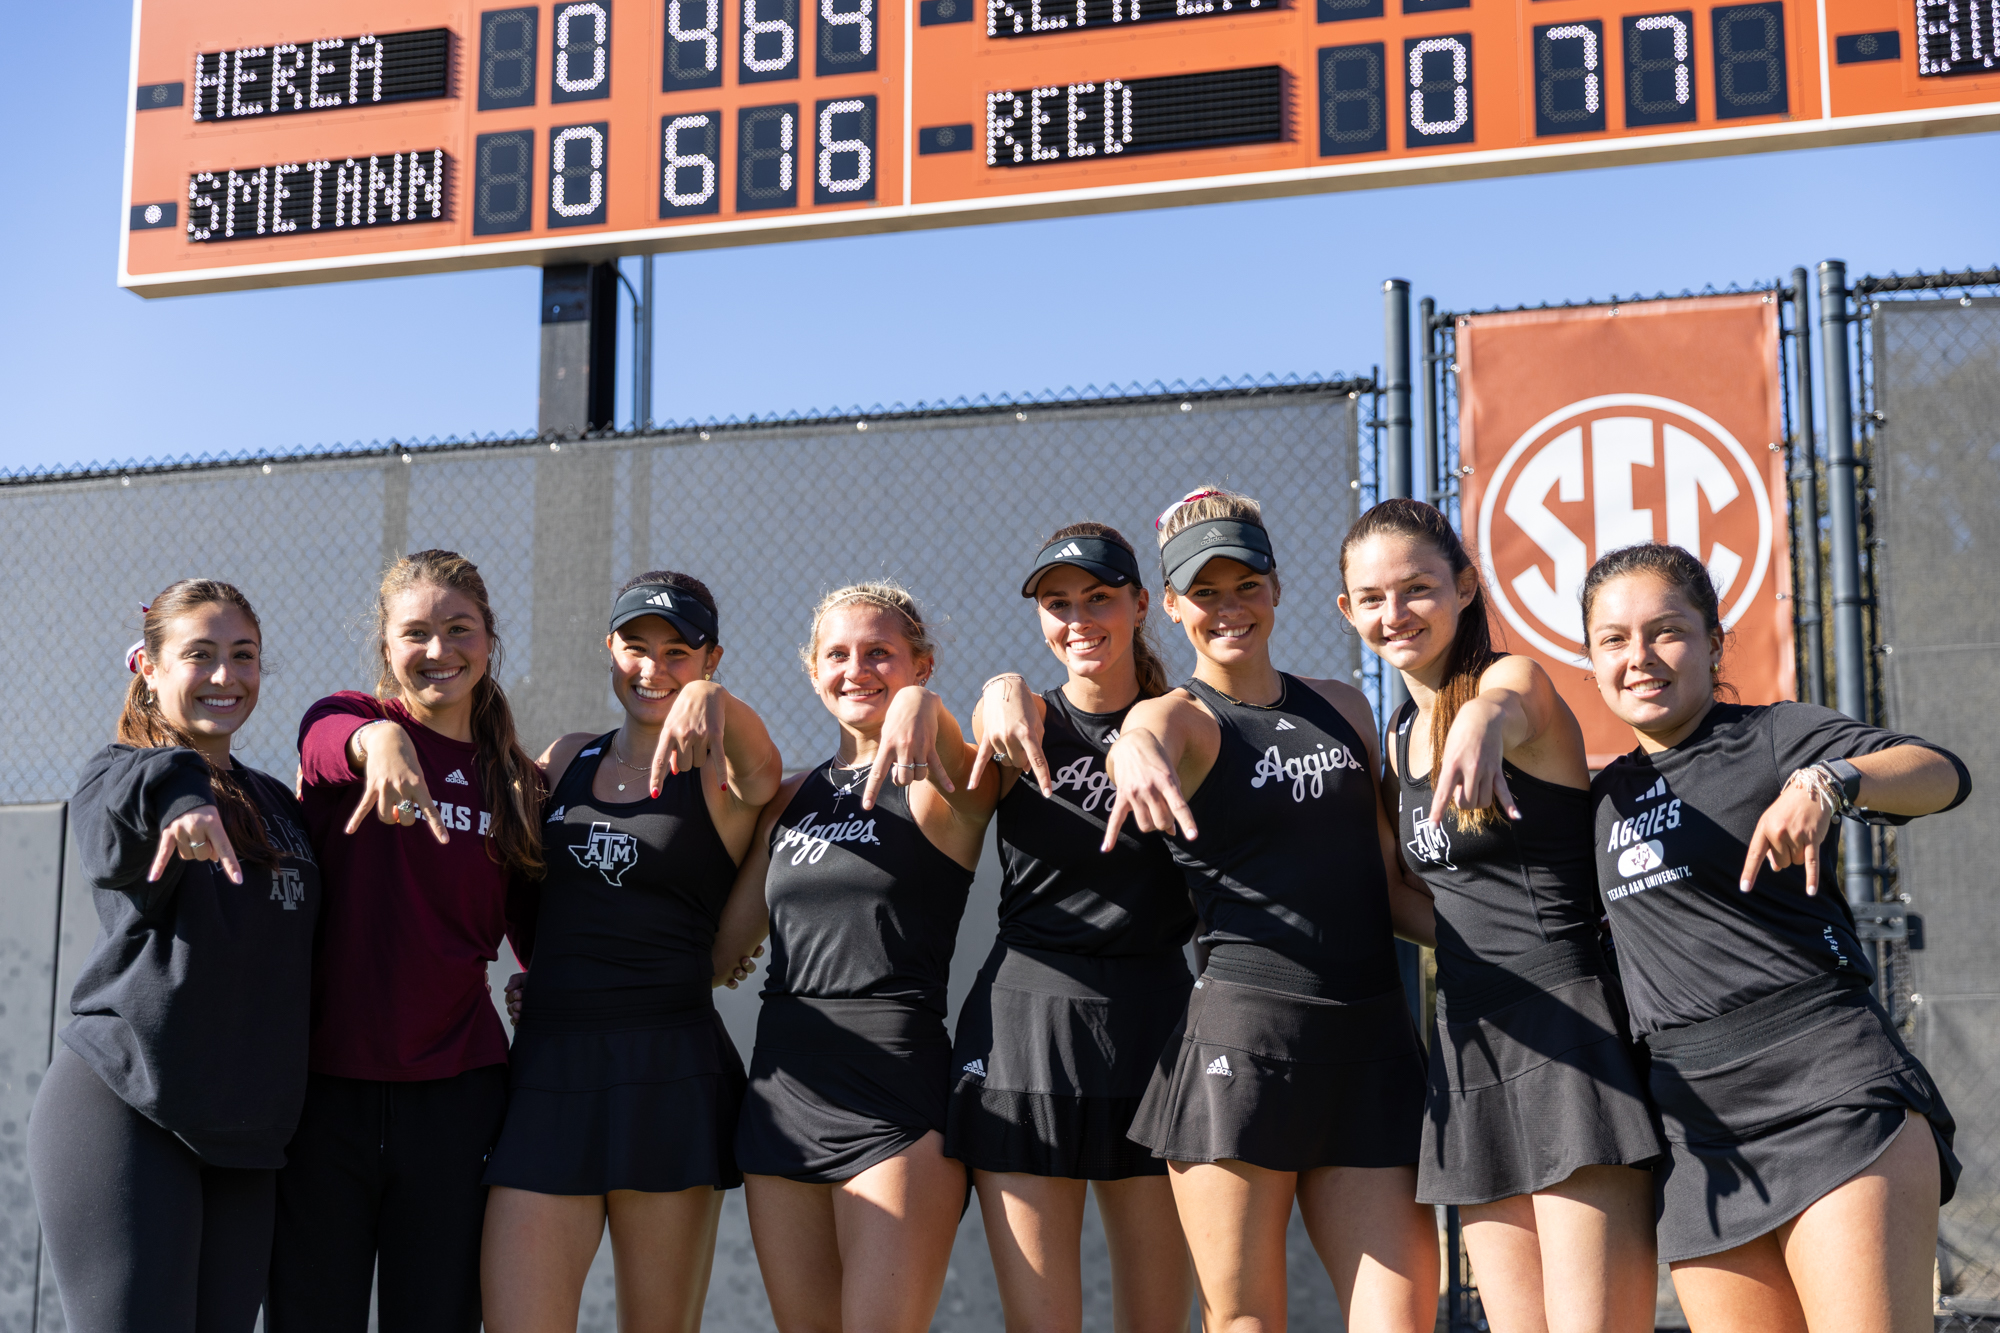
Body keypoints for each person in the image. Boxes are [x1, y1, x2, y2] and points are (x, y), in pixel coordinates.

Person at [1581, 542, 1969, 1333]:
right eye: (1613, 639)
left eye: (1667, 630)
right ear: (1589, 661)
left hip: (1831, 1094)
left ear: (1716, 641)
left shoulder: (1771, 736)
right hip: (1699, 1134)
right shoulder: (1595, 802)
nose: (1641, 656)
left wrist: (1831, 781)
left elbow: (1941, 772)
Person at [1105, 488, 1440, 1333]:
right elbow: (1142, 735)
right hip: (1245, 1047)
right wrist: (1132, 752)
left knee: (1401, 1316)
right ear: (1171, 607)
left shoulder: (1347, 706)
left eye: (1245, 584)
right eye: (1204, 592)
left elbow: (1395, 884)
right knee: (1245, 1319)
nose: (1229, 608)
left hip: (1371, 1040)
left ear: (1278, 588)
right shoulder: (1181, 717)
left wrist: (1534, 940)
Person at [1337, 499, 1661, 1333]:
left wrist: (1483, 716)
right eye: (1372, 596)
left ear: (1467, 585)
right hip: (1469, 1041)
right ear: (1347, 610)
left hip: (1570, 1032)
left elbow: (1514, 697)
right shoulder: (1398, 733)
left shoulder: (1511, 685)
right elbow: (1419, 900)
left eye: (1417, 587)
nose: (1394, 612)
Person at [480, 571, 783, 1333]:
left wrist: (713, 703)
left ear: (712, 657)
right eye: (636, 647)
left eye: (678, 651)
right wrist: (535, 977)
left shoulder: (724, 771)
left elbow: (767, 772)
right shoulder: (568, 755)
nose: (652, 668)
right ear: (608, 649)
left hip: (666, 1071)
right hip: (550, 1066)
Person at [30, 580, 320, 1333]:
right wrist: (185, 799)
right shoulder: (117, 774)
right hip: (128, 1109)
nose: (226, 675)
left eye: (243, 655)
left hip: (244, 1136)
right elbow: (134, 795)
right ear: (149, 668)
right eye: (200, 654)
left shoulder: (276, 804)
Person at [269, 550, 544, 1333]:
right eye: (415, 632)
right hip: (325, 1097)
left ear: (489, 640)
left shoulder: (517, 784)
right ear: (386, 646)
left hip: (458, 1102)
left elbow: (540, 931)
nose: (438, 650)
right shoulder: (347, 726)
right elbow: (326, 738)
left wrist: (543, 984)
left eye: (459, 629)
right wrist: (381, 746)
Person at [713, 582, 993, 1333]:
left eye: (881, 653)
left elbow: (971, 769)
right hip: (782, 1097)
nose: (857, 669)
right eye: (837, 654)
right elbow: (719, 952)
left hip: (896, 1101)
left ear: (921, 664)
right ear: (812, 670)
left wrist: (922, 710)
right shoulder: (791, 797)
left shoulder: (943, 788)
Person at [954, 523, 1199, 1333]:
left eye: (1098, 598)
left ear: (1139, 605)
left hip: (1159, 1028)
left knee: (1156, 1320)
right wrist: (998, 684)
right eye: (1057, 604)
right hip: (1027, 1028)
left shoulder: (1188, 724)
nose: (1078, 619)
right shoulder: (1013, 724)